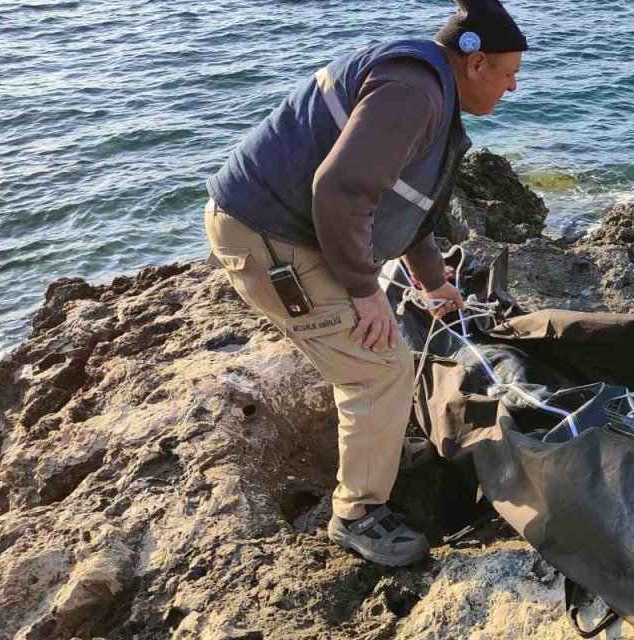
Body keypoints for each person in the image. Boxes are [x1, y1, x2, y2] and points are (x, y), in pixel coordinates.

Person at [202, 0, 526, 566]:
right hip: (268, 238)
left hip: (288, 229)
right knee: (378, 366)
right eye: (509, 72)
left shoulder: (423, 83)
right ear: (475, 64)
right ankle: (356, 515)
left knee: (376, 351)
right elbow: (342, 192)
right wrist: (362, 288)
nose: (514, 88)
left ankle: (382, 445)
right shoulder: (414, 93)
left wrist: (432, 281)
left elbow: (399, 202)